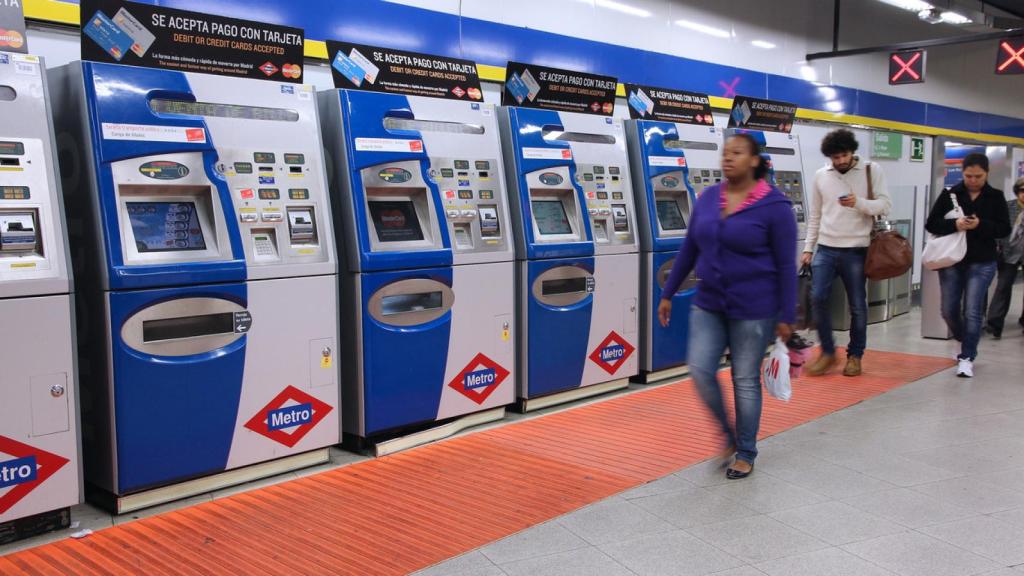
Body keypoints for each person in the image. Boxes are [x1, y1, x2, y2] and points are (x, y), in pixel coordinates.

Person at [658, 133, 797, 480]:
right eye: (725, 153)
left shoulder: (775, 207)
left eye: (737, 153)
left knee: (744, 379)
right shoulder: (707, 199)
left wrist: (787, 315)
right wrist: (668, 293)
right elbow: (690, 248)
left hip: (755, 306)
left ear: (754, 160)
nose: (728, 158)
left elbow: (784, 265)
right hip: (709, 302)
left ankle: (746, 451)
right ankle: (728, 434)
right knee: (701, 370)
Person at [801, 129, 891, 377]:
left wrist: (858, 203)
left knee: (857, 306)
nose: (840, 161)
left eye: (843, 155)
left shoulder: (872, 170)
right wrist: (809, 248)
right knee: (817, 298)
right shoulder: (821, 175)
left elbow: (885, 205)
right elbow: (816, 215)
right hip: (826, 248)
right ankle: (828, 352)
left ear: (852, 152)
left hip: (857, 249)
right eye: (834, 157)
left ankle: (855, 356)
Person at [925, 153, 1011, 377]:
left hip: (982, 261)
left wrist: (980, 224)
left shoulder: (995, 197)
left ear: (987, 173)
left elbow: (1004, 229)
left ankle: (967, 357)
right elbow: (932, 224)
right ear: (962, 174)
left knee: (972, 311)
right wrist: (956, 224)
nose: (973, 180)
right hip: (953, 260)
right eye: (968, 176)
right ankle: (962, 339)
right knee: (948, 309)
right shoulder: (950, 194)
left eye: (978, 176)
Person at [985, 177, 1024, 338]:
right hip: (1009, 254)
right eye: (1022, 191)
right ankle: (994, 323)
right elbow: (999, 229)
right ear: (1018, 192)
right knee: (1003, 287)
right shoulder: (1008, 207)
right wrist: (998, 246)